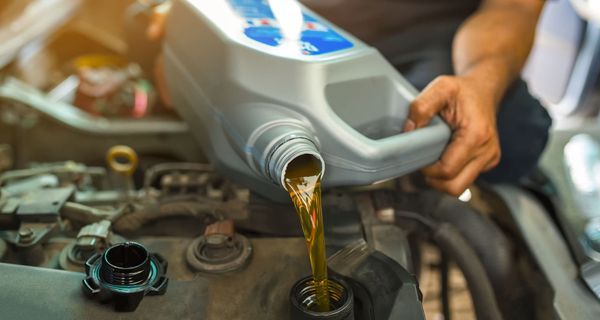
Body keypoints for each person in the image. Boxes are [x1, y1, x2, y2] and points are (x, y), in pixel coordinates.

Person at [148, 0, 552, 197]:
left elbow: (514, 6)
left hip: (437, 30)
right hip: (290, 19)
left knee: (513, 132)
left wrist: (481, 80)